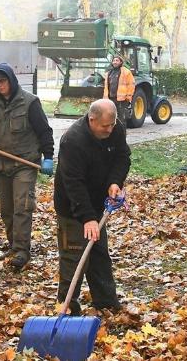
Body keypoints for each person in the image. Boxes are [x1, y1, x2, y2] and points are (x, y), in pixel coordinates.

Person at [54, 99, 131, 315]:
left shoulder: (115, 130)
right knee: (74, 256)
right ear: (91, 119)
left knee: (98, 253)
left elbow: (122, 157)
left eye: (112, 124)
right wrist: (87, 217)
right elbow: (73, 183)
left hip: (97, 205)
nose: (110, 129)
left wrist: (115, 182)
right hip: (72, 208)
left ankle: (106, 301)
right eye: (105, 126)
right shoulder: (73, 140)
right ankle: (68, 307)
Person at [0, 63, 54, 269]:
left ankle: (21, 250)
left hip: (24, 163)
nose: (0, 85)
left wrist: (48, 156)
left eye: (3, 81)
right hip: (1, 164)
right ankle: (13, 244)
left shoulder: (30, 103)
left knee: (22, 206)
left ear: (11, 80)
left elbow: (45, 131)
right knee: (6, 209)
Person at [102, 55, 135, 127]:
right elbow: (106, 87)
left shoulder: (126, 72)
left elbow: (131, 85)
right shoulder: (109, 73)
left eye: (117, 60)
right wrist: (105, 98)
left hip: (121, 99)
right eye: (114, 60)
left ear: (121, 62)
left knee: (121, 119)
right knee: (111, 118)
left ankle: (122, 134)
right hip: (110, 99)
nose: (115, 62)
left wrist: (128, 97)